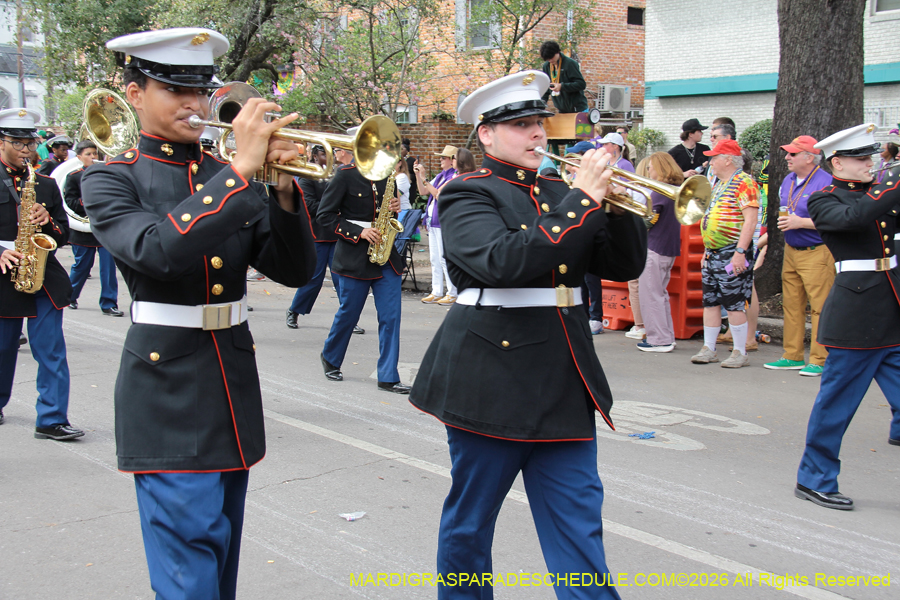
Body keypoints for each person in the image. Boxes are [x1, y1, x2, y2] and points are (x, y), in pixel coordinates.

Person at [81, 28, 316, 598]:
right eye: (173, 89)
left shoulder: (222, 174)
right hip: (165, 386)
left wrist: (283, 191)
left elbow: (293, 270)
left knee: (219, 559)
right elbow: (157, 252)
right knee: (189, 574)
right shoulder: (110, 177)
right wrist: (241, 172)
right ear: (134, 94)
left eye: (200, 90)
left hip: (230, 380)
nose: (193, 104)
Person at [410, 70, 646, 599]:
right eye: (521, 125)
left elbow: (622, 263)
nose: (538, 133)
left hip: (563, 378)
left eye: (539, 121)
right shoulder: (468, 194)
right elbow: (502, 262)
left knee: (579, 527)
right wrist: (583, 201)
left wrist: (623, 206)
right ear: (488, 135)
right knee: (471, 524)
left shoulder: (563, 191)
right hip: (490, 375)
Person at [794, 123, 900, 510]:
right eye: (860, 159)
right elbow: (856, 218)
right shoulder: (825, 199)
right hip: (856, 316)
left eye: (870, 157)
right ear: (837, 163)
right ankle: (814, 478)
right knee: (836, 406)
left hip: (891, 309)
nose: (869, 164)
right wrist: (893, 182)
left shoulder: (877, 195)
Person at [0, 108, 82, 439]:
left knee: (50, 349)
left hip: (42, 274)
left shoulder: (45, 184)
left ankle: (52, 418)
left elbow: (63, 234)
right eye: (17, 142)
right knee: (3, 348)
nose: (26, 150)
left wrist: (47, 220)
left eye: (30, 143)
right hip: (5, 273)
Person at [316, 128, 409, 394]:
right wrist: (359, 232)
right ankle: (331, 357)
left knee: (391, 317)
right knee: (349, 313)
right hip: (355, 255)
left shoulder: (385, 175)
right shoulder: (345, 176)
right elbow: (325, 216)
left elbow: (386, 206)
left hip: (385, 254)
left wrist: (394, 206)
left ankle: (388, 376)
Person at [763, 135, 834, 377]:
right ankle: (792, 355)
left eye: (793, 154)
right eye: (788, 153)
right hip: (791, 249)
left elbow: (834, 220)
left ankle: (819, 358)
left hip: (817, 251)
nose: (787, 157)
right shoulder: (788, 179)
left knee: (820, 306)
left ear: (809, 157)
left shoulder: (826, 182)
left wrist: (800, 222)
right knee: (792, 304)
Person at [690, 139, 759, 368]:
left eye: (714, 158)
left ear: (728, 159)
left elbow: (750, 220)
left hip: (731, 251)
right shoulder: (719, 183)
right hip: (714, 252)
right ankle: (709, 348)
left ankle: (740, 351)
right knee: (710, 300)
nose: (710, 162)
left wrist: (740, 252)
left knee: (734, 301)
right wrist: (707, 250)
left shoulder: (744, 182)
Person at [285, 144, 348, 330]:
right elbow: (309, 204)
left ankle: (349, 319)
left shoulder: (339, 174)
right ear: (313, 156)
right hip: (317, 234)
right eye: (323, 154)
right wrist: (334, 207)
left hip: (336, 233)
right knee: (314, 278)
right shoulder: (307, 175)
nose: (327, 158)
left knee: (341, 279)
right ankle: (294, 311)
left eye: (329, 154)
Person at [63, 140, 123, 316]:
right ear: (80, 157)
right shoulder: (74, 176)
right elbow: (70, 202)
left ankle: (109, 303)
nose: (92, 157)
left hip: (104, 228)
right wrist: (90, 203)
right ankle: (70, 296)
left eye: (95, 154)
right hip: (83, 229)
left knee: (108, 268)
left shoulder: (106, 173)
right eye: (88, 154)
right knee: (82, 266)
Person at [636, 152, 684, 352]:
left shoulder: (658, 193)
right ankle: (665, 335)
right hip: (667, 248)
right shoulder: (672, 191)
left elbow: (649, 221)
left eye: (651, 167)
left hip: (654, 247)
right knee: (660, 294)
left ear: (660, 168)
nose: (648, 170)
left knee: (650, 294)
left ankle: (658, 339)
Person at [414, 145, 458, 305]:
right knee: (434, 258)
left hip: (443, 222)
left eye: (443, 158)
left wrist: (424, 177)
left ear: (452, 160)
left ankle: (452, 292)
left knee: (444, 258)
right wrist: (419, 176)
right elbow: (423, 191)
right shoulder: (441, 176)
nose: (440, 160)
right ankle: (437, 290)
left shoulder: (454, 176)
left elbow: (438, 194)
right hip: (432, 222)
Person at [539, 40, 588, 114]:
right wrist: (541, 106)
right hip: (562, 110)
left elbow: (581, 84)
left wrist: (562, 86)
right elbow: (546, 87)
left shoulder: (570, 63)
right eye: (547, 59)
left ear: (557, 52)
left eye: (551, 57)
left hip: (578, 108)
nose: (550, 60)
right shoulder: (547, 66)